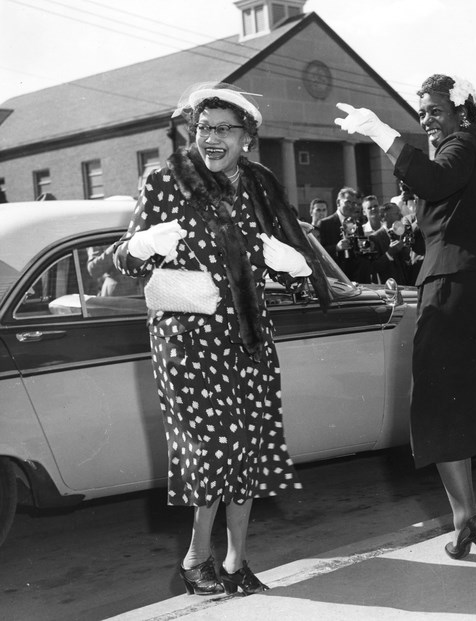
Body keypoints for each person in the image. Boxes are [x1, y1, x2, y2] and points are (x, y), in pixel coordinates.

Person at [113, 83, 330, 596]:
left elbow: (295, 274)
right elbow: (124, 259)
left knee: (249, 446)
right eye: (202, 128)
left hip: (249, 334)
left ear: (247, 139)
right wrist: (140, 245)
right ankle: (195, 557)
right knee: (211, 447)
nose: (210, 138)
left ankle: (235, 562)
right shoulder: (167, 181)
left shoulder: (261, 186)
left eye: (223, 129)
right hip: (187, 337)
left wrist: (296, 269)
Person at [335, 74, 476, 559]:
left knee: (440, 403)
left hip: (458, 292)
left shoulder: (463, 144)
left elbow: (434, 180)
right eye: (422, 113)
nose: (426, 122)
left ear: (461, 109)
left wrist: (381, 133)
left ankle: (465, 520)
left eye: (434, 111)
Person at [317, 187, 372, 282]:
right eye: (348, 202)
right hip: (335, 277)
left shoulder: (357, 224)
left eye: (354, 203)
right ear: (338, 202)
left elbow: (362, 251)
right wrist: (336, 248)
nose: (351, 206)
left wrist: (366, 247)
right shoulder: (325, 224)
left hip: (356, 278)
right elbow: (318, 252)